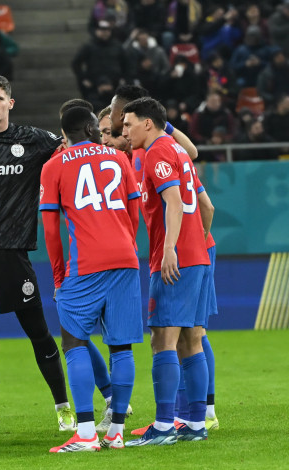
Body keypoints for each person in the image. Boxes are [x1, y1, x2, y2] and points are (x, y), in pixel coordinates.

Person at [0, 74, 76, 437]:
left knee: (38, 332)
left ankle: (63, 408)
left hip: (14, 253)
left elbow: (71, 147)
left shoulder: (33, 140)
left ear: (10, 103)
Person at [40, 107, 142, 452]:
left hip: (85, 264)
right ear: (88, 127)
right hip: (126, 260)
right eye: (98, 126)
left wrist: (58, 276)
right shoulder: (119, 158)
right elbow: (134, 212)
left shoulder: (54, 166)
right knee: (121, 346)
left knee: (74, 342)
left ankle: (85, 433)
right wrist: (127, 245)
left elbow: (51, 231)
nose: (102, 131)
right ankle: (116, 433)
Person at [121, 97, 212, 447]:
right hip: (197, 256)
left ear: (147, 123)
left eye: (128, 123)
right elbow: (206, 206)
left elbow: (174, 201)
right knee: (191, 340)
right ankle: (195, 422)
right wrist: (196, 242)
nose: (124, 130)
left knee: (163, 339)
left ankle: (162, 427)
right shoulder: (177, 151)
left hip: (174, 259)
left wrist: (171, 248)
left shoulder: (157, 152)